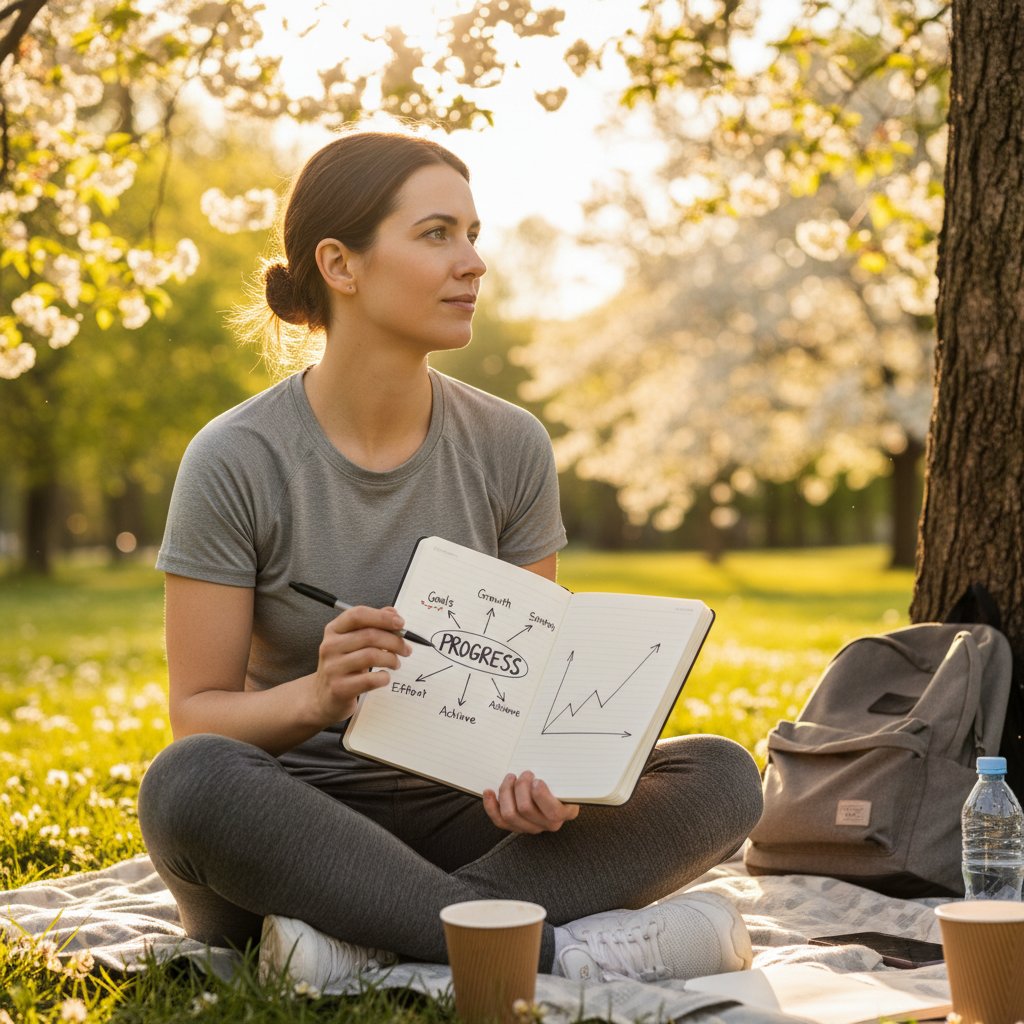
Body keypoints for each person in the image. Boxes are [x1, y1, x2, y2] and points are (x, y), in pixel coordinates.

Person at [137, 129, 764, 991]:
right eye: (437, 235)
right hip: (297, 831)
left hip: (473, 818)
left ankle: (362, 949)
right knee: (189, 781)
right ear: (340, 264)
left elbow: (528, 695)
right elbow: (197, 716)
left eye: (474, 234)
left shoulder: (509, 444)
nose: (472, 262)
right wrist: (314, 696)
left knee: (722, 775)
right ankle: (549, 951)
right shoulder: (236, 459)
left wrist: (550, 780)